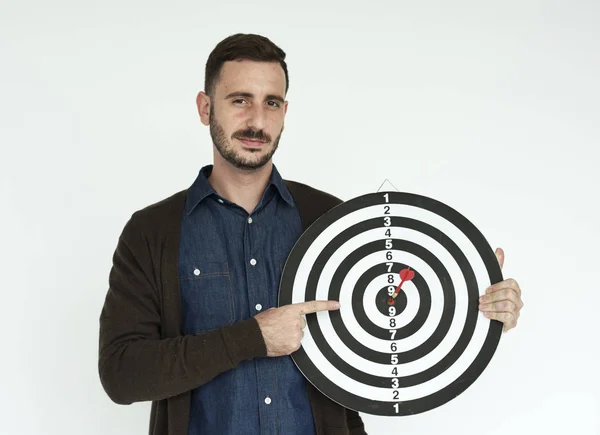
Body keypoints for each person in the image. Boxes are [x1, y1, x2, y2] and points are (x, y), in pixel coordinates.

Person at [98, 33, 524, 435]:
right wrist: (251, 338)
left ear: (285, 111)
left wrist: (477, 308)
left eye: (271, 102)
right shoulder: (152, 232)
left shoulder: (330, 218)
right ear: (205, 108)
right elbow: (121, 374)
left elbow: (389, 314)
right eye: (239, 100)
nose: (256, 121)